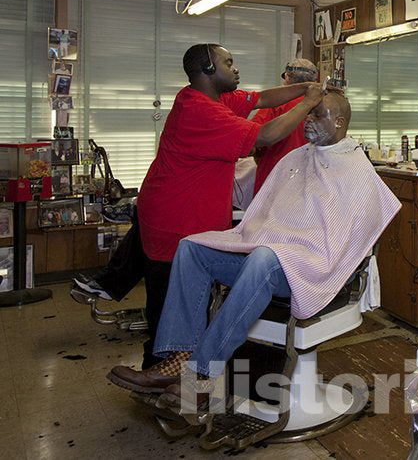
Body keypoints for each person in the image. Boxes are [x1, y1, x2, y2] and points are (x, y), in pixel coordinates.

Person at [107, 91, 401, 406]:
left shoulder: (357, 170)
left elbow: (347, 239)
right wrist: (271, 238)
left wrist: (292, 249)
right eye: (308, 114)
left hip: (312, 269)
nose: (309, 121)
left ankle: (202, 375)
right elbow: (267, 210)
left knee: (265, 258)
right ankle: (179, 358)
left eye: (319, 115)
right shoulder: (297, 158)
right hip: (272, 259)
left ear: (340, 122)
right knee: (192, 248)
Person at [133, 43, 325, 368]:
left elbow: (262, 98)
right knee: (171, 301)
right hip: (175, 218)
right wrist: (306, 102)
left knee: (191, 297)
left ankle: (181, 369)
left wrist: (304, 88)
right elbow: (264, 136)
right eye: (229, 63)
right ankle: (162, 373)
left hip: (184, 213)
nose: (236, 69)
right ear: (209, 69)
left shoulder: (212, 97)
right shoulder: (202, 111)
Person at [250, 58, 318, 195]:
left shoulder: (273, 105)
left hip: (275, 180)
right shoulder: (323, 105)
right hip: (311, 180)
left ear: (287, 77)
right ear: (314, 80)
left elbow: (251, 143)